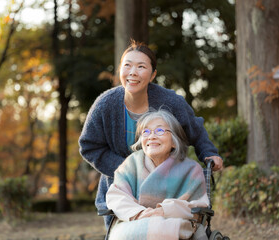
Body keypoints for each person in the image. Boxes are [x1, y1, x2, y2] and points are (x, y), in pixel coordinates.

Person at [78, 39, 222, 228]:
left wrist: (208, 152)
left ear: (153, 74)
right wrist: (127, 169)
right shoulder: (105, 105)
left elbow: (195, 130)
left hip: (168, 186)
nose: (133, 72)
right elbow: (89, 146)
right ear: (120, 70)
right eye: (127, 65)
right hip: (124, 189)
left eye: (141, 66)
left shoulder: (170, 101)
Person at [106, 109, 209, 240]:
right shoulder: (131, 164)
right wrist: (140, 214)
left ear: (174, 140)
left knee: (165, 230)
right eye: (146, 132)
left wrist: (163, 211)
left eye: (159, 131)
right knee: (121, 234)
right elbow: (117, 196)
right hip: (134, 221)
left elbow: (198, 205)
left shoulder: (191, 169)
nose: (151, 136)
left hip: (174, 222)